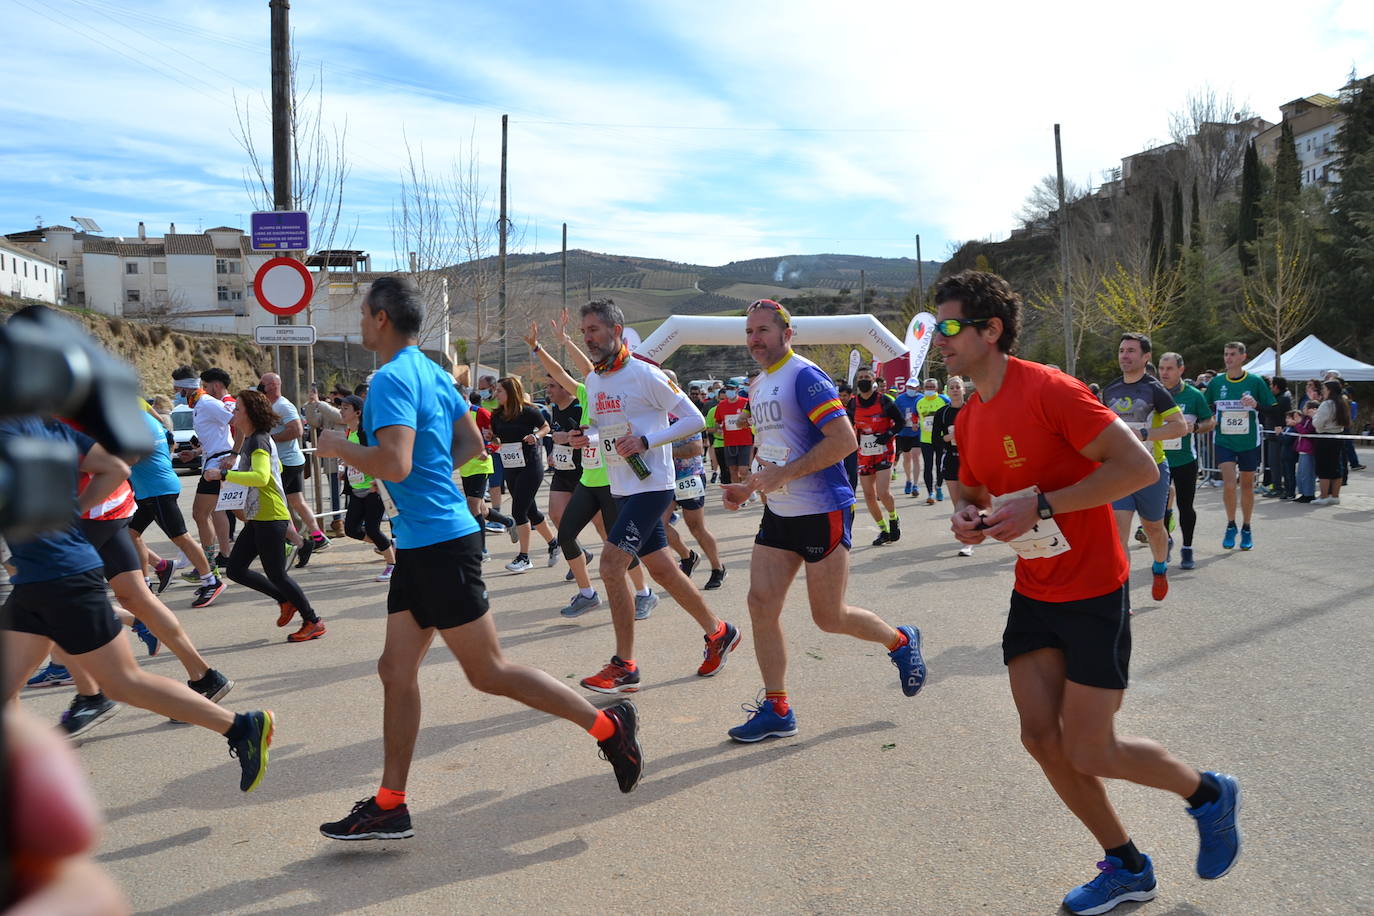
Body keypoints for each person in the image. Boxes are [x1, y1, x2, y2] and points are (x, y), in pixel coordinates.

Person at [940, 270, 1240, 916]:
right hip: (1034, 589)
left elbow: (1138, 467)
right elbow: (968, 488)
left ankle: (1208, 794)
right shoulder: (969, 419)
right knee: (1039, 737)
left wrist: (1043, 503)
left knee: (1090, 747)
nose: (939, 339)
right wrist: (965, 514)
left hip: (1095, 587)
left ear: (990, 332)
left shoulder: (1050, 389)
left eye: (949, 326)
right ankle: (1128, 865)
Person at [315, 276, 642, 841]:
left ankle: (607, 726)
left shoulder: (391, 379)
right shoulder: (434, 374)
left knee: (488, 672)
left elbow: (392, 464)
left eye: (364, 313)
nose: (362, 322)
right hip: (422, 541)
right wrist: (430, 479)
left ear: (383, 319)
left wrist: (336, 445)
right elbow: (469, 446)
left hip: (440, 542)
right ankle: (391, 804)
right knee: (395, 670)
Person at [0, 415, 273, 793]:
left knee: (124, 683)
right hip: (36, 576)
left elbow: (114, 467)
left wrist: (66, 517)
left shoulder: (33, 428)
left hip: (61, 576)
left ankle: (241, 726)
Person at [721, 299, 926, 742]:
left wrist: (782, 475)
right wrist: (751, 485)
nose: (755, 339)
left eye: (763, 331)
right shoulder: (758, 386)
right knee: (760, 605)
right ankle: (777, 708)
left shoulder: (805, 377)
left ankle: (901, 641)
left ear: (786, 334)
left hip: (822, 511)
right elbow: (776, 449)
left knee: (829, 617)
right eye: (750, 332)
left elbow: (844, 440)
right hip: (779, 513)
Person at [567, 298, 739, 694]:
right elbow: (600, 429)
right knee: (662, 569)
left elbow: (694, 418)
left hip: (652, 486)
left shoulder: (645, 374)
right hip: (621, 487)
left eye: (593, 330)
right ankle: (719, 632)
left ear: (615, 331)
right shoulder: (595, 380)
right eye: (584, 332)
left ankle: (624, 665)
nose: (588, 339)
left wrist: (647, 439)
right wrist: (583, 436)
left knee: (611, 567)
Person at [526, 316, 657, 619]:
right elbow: (560, 372)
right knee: (567, 534)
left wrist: (566, 342)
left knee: (618, 543)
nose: (590, 381)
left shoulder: (607, 393)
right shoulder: (586, 393)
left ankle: (644, 593)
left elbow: (583, 368)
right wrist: (537, 348)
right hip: (589, 478)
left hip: (613, 481)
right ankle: (587, 593)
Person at [204, 389, 325, 642]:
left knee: (277, 574)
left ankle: (313, 621)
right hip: (259, 514)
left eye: (237, 409)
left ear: (249, 413)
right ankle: (285, 601)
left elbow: (261, 477)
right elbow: (276, 468)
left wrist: (224, 475)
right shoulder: (253, 440)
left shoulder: (258, 440)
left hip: (270, 515)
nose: (233, 413)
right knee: (236, 569)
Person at [1100, 334, 1187, 601]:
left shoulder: (1155, 389)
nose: (1124, 356)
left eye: (1131, 351)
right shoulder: (1110, 390)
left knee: (1153, 529)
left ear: (1146, 356)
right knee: (1118, 533)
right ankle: (1122, 597)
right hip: (1119, 471)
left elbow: (1180, 426)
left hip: (1151, 470)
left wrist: (1145, 434)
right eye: (1121, 350)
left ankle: (1159, 568)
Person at [125, 407, 225, 606]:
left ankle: (211, 581)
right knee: (131, 533)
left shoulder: (136, 423)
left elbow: (132, 458)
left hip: (158, 491)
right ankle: (146, 584)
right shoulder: (145, 419)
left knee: (181, 537)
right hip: (152, 489)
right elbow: (171, 442)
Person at [1204, 342, 1275, 550]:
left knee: (1246, 485)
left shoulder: (1255, 381)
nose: (1228, 358)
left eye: (1233, 354)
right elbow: (1205, 405)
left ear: (1243, 357)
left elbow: (1272, 409)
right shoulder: (1217, 382)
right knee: (1228, 484)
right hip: (1224, 440)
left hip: (1248, 442)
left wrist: (1256, 405)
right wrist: (1209, 417)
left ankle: (1246, 527)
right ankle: (1230, 524)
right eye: (1226, 354)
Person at [660, 369, 726, 587]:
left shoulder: (686, 410)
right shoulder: (655, 410)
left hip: (689, 475)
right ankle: (688, 556)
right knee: (657, 525)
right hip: (665, 477)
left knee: (696, 527)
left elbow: (696, 448)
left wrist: (662, 451)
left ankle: (717, 568)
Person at [488, 376, 560, 573]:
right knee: (531, 511)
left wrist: (536, 436)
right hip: (510, 466)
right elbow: (496, 438)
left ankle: (524, 557)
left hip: (531, 465)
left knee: (518, 511)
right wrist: (491, 439)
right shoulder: (496, 415)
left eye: (500, 391)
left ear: (510, 392)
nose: (496, 394)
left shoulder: (528, 411)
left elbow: (546, 427)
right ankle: (555, 543)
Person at [258, 373, 330, 568]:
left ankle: (294, 541)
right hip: (288, 461)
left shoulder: (283, 406)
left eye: (262, 383)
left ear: (272, 386)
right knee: (296, 501)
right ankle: (317, 536)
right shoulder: (271, 405)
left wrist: (271, 440)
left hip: (286, 462)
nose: (259, 386)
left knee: (281, 504)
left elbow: (297, 430)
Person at [1156, 353, 1215, 570]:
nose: (1164, 373)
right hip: (1158, 459)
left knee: (1185, 506)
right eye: (1162, 368)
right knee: (1158, 507)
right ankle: (1165, 542)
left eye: (1169, 368)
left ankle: (1187, 548)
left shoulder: (1193, 395)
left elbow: (1209, 421)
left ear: (1181, 370)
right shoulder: (1155, 393)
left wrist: (1197, 427)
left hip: (1185, 460)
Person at [178, 368, 236, 570]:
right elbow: (215, 436)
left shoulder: (208, 403)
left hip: (219, 465)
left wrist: (233, 455)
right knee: (238, 512)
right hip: (213, 461)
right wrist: (195, 454)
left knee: (200, 514)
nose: (177, 392)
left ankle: (208, 566)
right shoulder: (199, 405)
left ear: (186, 387)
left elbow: (240, 424)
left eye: (178, 388)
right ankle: (285, 541)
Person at [338, 395, 396, 581]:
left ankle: (392, 565)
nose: (341, 410)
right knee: (351, 529)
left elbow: (378, 456)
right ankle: (389, 547)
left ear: (358, 412)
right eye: (341, 407)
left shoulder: (365, 432)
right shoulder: (349, 432)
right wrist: (345, 468)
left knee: (372, 528)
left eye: (345, 408)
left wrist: (378, 480)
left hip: (374, 488)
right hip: (356, 488)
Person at [847, 365, 906, 545]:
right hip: (864, 452)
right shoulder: (852, 403)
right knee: (868, 495)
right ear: (857, 382)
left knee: (882, 492)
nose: (864, 380)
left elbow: (901, 422)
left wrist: (888, 434)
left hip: (884, 449)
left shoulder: (884, 400)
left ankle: (893, 518)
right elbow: (848, 426)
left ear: (873, 380)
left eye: (867, 377)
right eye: (861, 377)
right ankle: (883, 530)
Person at [932, 376, 972, 556]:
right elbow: (935, 439)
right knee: (958, 503)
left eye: (958, 387)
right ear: (948, 392)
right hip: (951, 459)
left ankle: (969, 538)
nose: (955, 390)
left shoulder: (972, 409)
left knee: (970, 501)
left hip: (971, 460)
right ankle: (966, 540)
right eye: (952, 388)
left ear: (964, 390)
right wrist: (948, 437)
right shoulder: (942, 413)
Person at [304, 385, 347, 537]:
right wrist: (311, 404)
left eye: (335, 393)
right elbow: (314, 421)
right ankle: (338, 521)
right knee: (335, 491)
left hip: (347, 456)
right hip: (332, 457)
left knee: (353, 490)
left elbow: (339, 416)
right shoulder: (327, 411)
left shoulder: (345, 411)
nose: (332, 396)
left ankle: (348, 519)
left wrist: (320, 403)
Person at [1312, 379, 1350, 505]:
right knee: (1336, 467)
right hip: (1338, 436)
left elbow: (1317, 423)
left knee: (1324, 468)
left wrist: (1314, 416)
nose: (1323, 391)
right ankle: (1335, 496)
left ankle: (1323, 496)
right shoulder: (1342, 402)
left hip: (1325, 437)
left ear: (1329, 390)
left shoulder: (1326, 404)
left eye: (1324, 389)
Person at [915, 377, 950, 504]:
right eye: (927, 387)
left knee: (940, 466)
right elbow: (915, 416)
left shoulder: (944, 400)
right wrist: (915, 424)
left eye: (932, 387)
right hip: (925, 440)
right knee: (928, 466)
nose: (929, 389)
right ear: (924, 389)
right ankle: (930, 492)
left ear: (936, 388)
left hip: (940, 439)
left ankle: (939, 487)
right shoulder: (919, 402)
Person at [714, 381, 754, 490]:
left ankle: (749, 490)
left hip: (745, 441)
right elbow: (717, 422)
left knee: (743, 470)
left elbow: (753, 419)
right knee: (733, 471)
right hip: (729, 442)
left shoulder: (745, 402)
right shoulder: (721, 405)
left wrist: (748, 423)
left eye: (732, 388)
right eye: (727, 389)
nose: (729, 391)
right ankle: (738, 492)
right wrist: (718, 428)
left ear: (737, 389)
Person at [892, 379, 923, 496]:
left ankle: (915, 485)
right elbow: (895, 414)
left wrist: (918, 422)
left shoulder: (921, 398)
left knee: (916, 456)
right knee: (907, 458)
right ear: (906, 387)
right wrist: (901, 421)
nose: (912, 389)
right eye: (909, 387)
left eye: (914, 387)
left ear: (918, 388)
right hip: (904, 433)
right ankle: (908, 480)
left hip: (918, 432)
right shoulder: (900, 399)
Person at [1293, 401, 1319, 502]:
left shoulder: (1313, 420)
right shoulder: (1306, 419)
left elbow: (1306, 432)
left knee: (1307, 473)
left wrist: (1297, 424)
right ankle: (1303, 493)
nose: (1303, 409)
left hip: (1309, 449)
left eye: (1305, 407)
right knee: (1301, 473)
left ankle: (1309, 494)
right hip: (1302, 449)